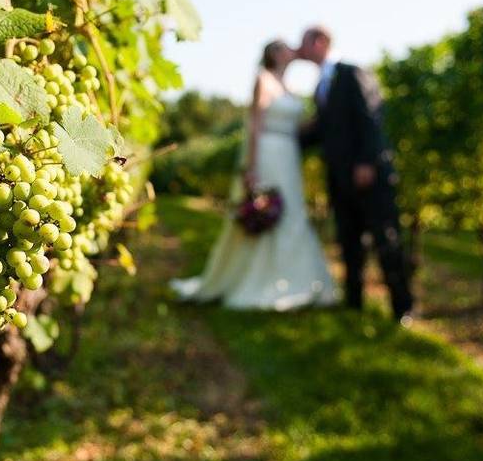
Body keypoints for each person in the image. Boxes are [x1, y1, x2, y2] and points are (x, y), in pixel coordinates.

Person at [170, 40, 338, 310]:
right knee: (267, 208)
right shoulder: (264, 80)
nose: (292, 50)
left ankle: (293, 279)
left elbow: (300, 126)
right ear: (274, 53)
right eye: (285, 48)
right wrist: (252, 167)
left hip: (289, 154)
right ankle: (257, 278)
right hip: (268, 153)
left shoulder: (290, 88)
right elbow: (255, 126)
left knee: (292, 213)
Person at [296, 26, 415, 324]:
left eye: (304, 43)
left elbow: (371, 115)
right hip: (339, 178)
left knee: (385, 240)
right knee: (348, 241)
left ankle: (402, 308)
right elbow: (326, 131)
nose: (301, 49)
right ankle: (354, 303)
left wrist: (367, 162)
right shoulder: (321, 85)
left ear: (320, 42)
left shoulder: (352, 71)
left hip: (369, 176)